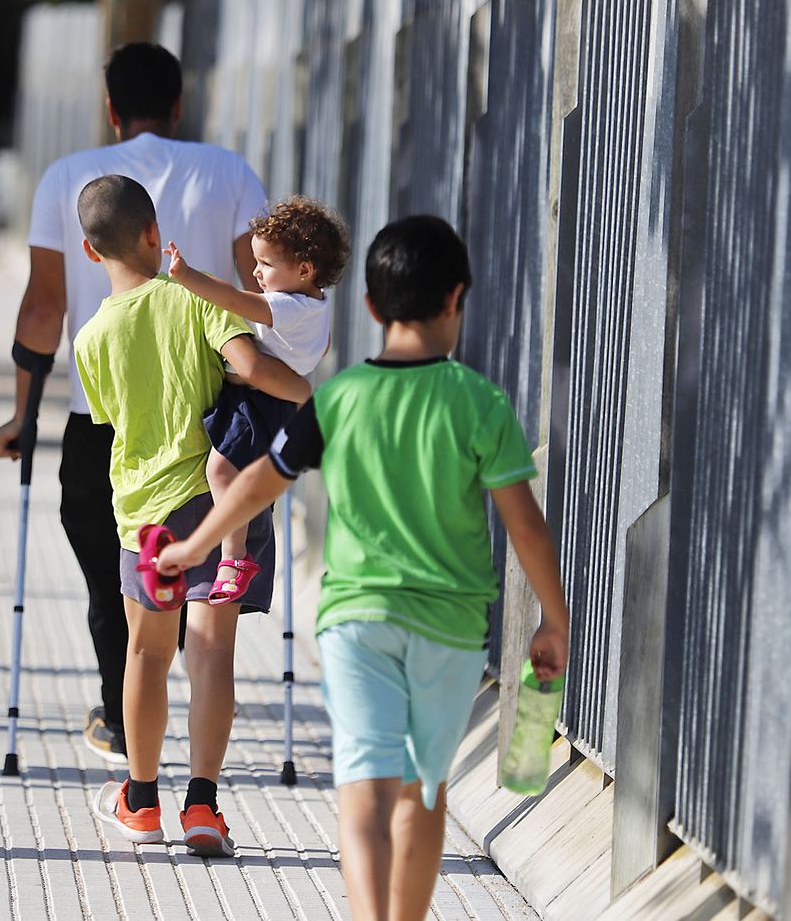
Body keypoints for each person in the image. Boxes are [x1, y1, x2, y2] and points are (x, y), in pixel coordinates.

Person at [157, 215, 571, 919]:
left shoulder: (341, 396)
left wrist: (195, 547)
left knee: (364, 786)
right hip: (447, 624)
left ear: (373, 308)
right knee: (420, 787)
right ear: (456, 299)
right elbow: (524, 524)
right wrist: (554, 620)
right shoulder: (480, 402)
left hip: (353, 623)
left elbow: (260, 479)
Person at [0, 43, 270, 763]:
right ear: (179, 105)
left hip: (104, 419)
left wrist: (23, 411)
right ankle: (169, 717)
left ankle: (123, 713)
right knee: (201, 572)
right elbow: (256, 291)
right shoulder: (230, 172)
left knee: (113, 567)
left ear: (110, 110)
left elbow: (45, 306)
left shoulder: (66, 179)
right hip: (212, 425)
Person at [68, 174, 310, 857]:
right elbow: (247, 364)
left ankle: (140, 800)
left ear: (90, 253)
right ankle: (202, 803)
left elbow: (111, 418)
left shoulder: (89, 340)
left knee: (145, 653)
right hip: (220, 499)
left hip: (143, 514)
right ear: (154, 233)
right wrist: (309, 397)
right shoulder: (197, 300)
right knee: (211, 652)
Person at [164, 195, 348, 603]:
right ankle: (233, 554)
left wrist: (187, 275)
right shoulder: (317, 304)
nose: (257, 273)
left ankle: (233, 557)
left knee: (222, 473)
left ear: (304, 269)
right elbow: (322, 345)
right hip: (269, 401)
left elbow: (233, 298)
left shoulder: (287, 306)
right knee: (232, 472)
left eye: (265, 265)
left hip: (259, 404)